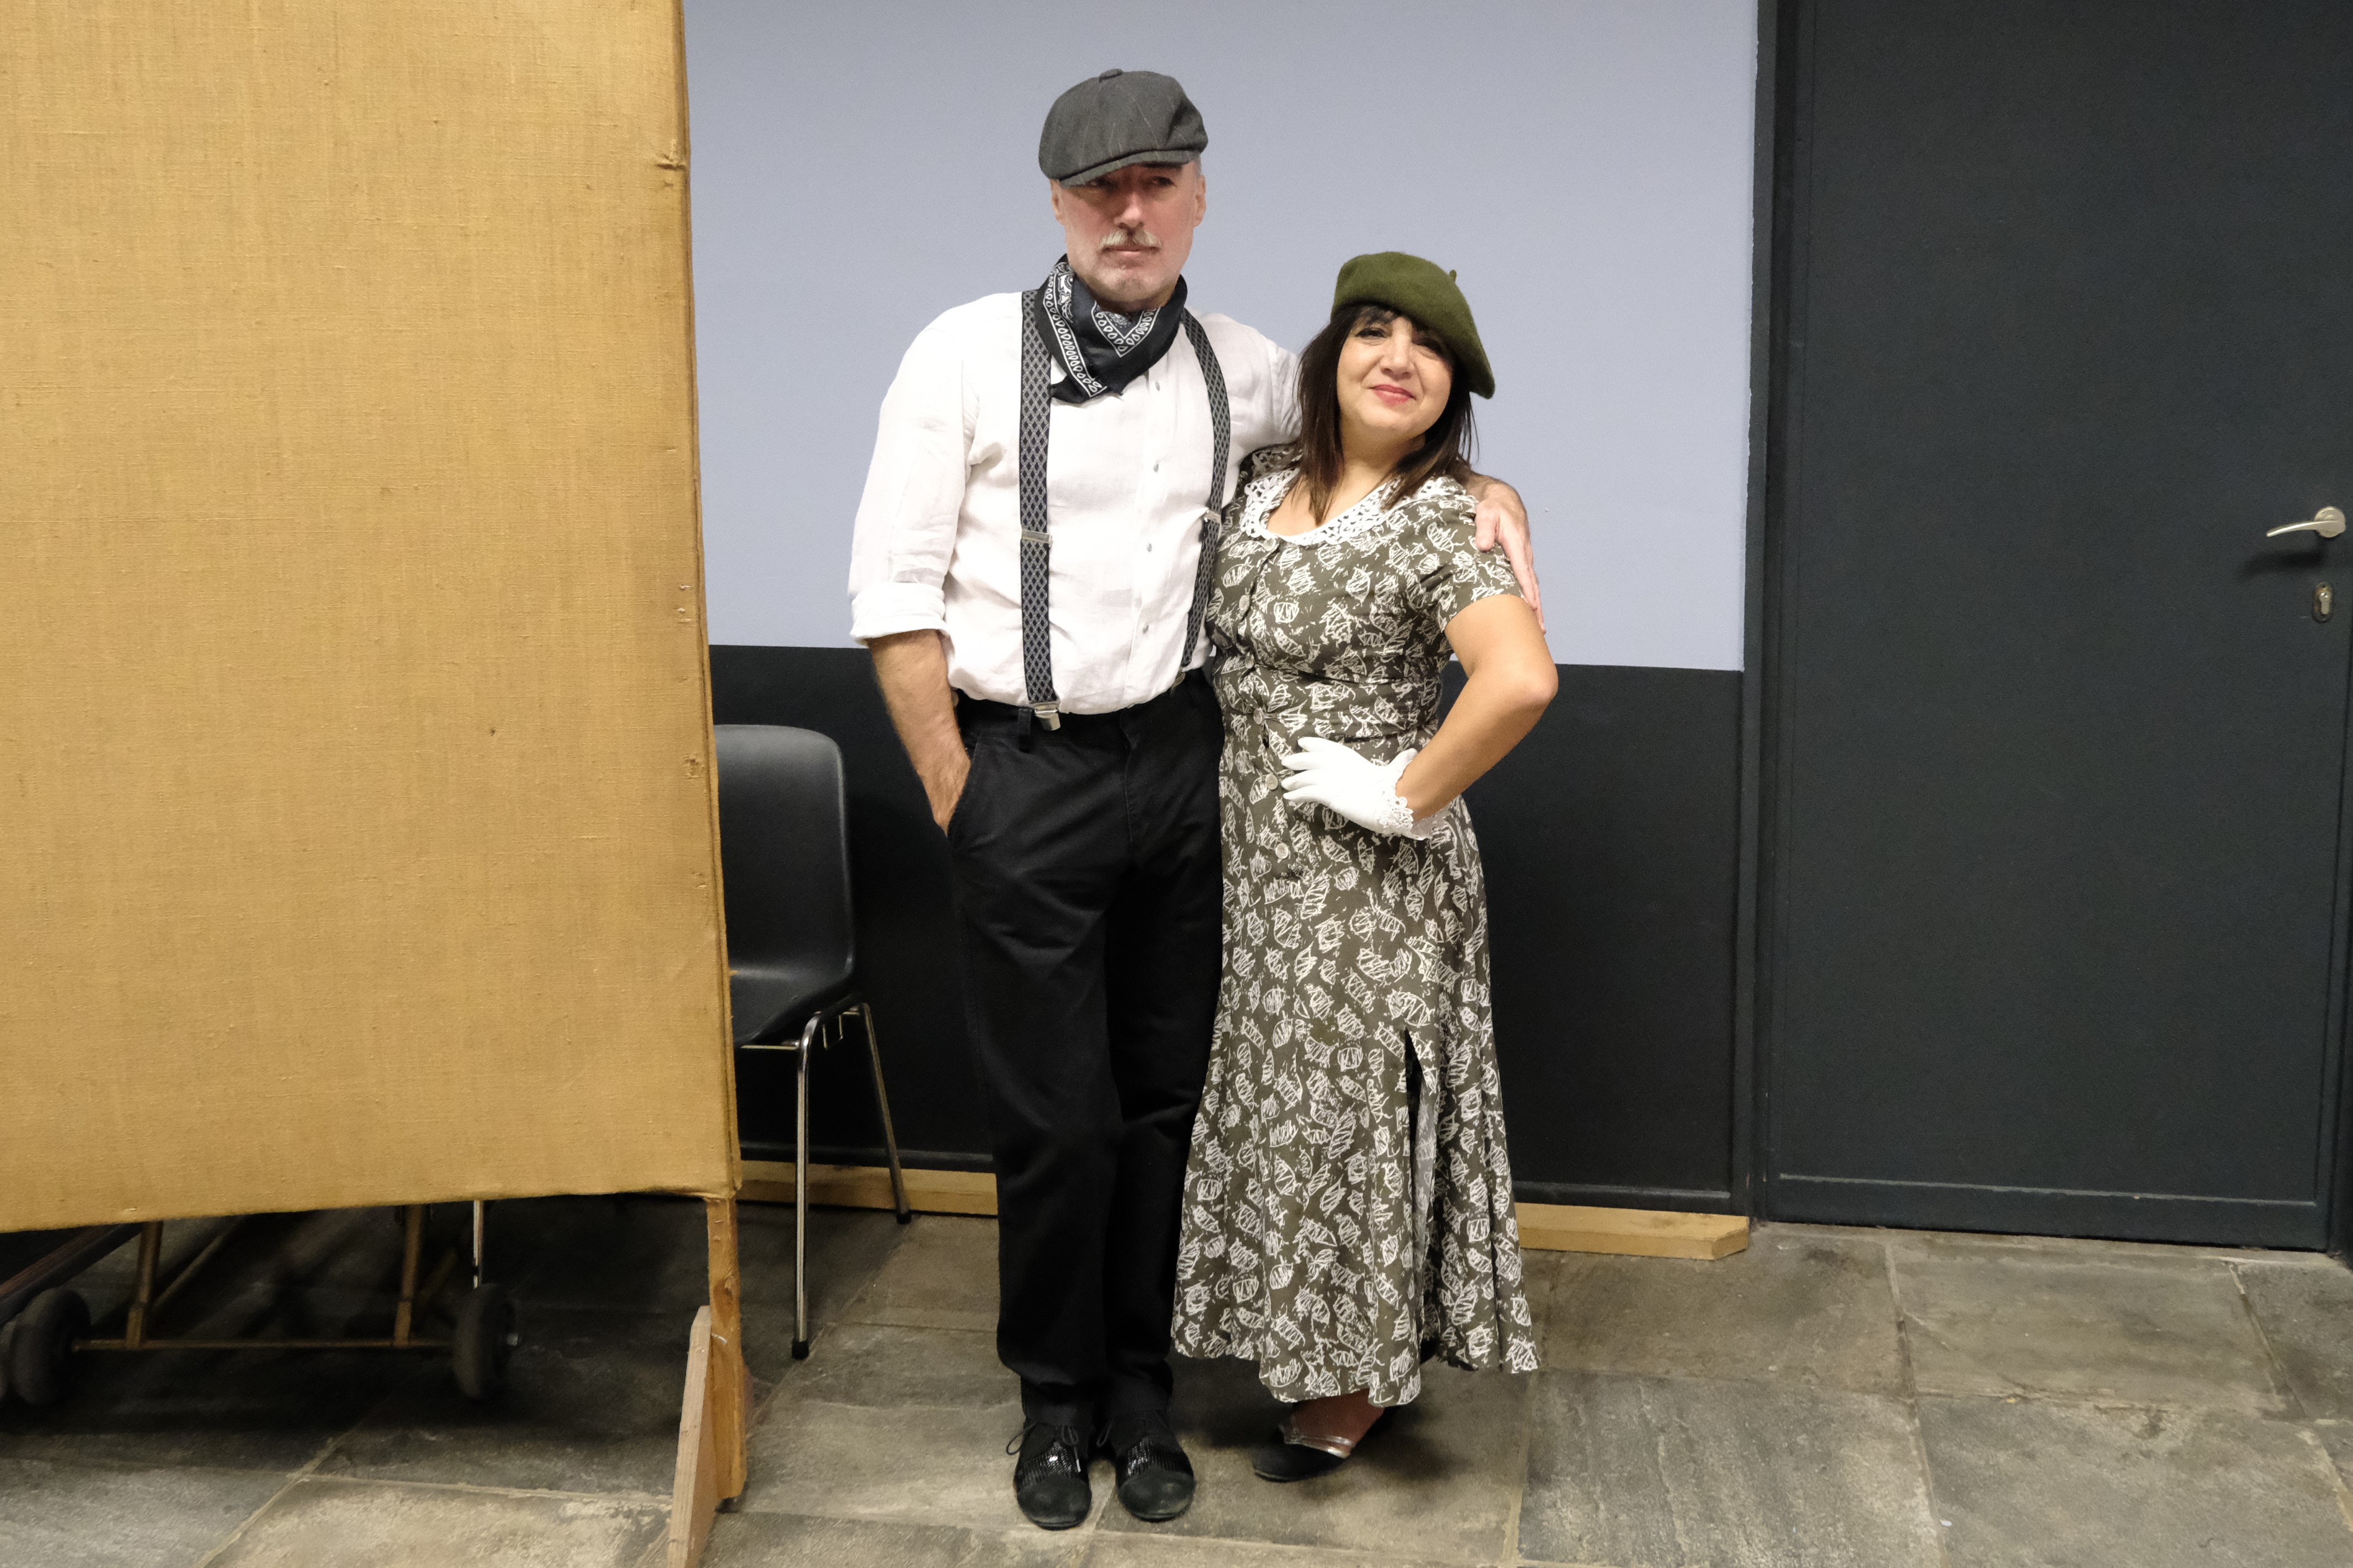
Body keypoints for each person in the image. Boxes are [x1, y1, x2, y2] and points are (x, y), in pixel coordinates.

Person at [847, 71, 1538, 1531]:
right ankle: (1054, 1402)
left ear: (1199, 197)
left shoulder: (1245, 367)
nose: (1130, 211)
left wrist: (1499, 497)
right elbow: (893, 596)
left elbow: (1383, 444)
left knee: (1170, 1103)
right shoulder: (960, 355)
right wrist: (961, 794)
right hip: (1022, 765)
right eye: (1099, 188)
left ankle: (1144, 1396)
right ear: (1056, 204)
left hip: (1183, 767)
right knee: (1057, 1121)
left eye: (1156, 182)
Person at [1170, 254, 1552, 1480]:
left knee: (1349, 1115)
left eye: (1430, 347)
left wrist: (1402, 794)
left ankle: (1355, 1378)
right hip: (1249, 854)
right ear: (1330, 354)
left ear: (1453, 391)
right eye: (1376, 331)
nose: (1399, 359)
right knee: (1280, 1104)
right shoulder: (1261, 478)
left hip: (1369, 881)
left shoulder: (1442, 518)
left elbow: (1519, 679)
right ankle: (1299, 1339)